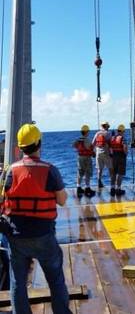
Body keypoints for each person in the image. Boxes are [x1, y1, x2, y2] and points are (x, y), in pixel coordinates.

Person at [2, 123, 72, 314]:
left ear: (20, 147)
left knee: (18, 282)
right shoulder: (50, 170)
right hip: (43, 235)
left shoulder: (9, 171)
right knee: (55, 279)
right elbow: (62, 201)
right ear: (39, 143)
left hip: (16, 236)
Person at [73, 124, 95, 198]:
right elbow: (91, 149)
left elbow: (73, 145)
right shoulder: (87, 140)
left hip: (80, 157)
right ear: (86, 132)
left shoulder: (78, 139)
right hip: (87, 158)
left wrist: (79, 149)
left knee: (80, 172)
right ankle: (87, 188)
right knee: (87, 173)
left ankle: (78, 187)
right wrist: (93, 154)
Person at [92, 121, 113, 189]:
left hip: (98, 153)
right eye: (108, 126)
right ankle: (112, 184)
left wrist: (93, 152)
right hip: (106, 152)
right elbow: (111, 144)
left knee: (99, 169)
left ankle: (99, 182)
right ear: (106, 126)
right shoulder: (108, 133)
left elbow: (93, 143)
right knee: (110, 168)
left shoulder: (97, 133)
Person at [110, 124, 128, 196]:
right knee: (120, 173)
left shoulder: (112, 138)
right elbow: (125, 147)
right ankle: (118, 189)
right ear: (122, 131)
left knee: (113, 173)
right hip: (121, 156)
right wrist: (126, 154)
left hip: (113, 156)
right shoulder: (122, 138)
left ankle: (112, 188)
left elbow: (110, 147)